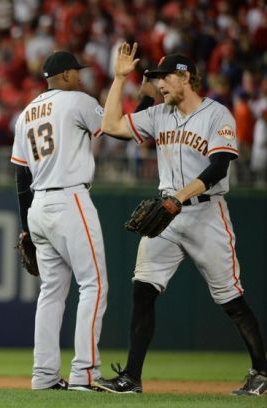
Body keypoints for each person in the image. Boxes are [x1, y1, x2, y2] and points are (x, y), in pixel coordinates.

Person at [92, 42, 267, 396]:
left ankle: (262, 373)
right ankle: (131, 378)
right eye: (156, 80)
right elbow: (110, 124)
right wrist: (118, 78)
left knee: (230, 299)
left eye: (165, 78)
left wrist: (178, 198)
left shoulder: (217, 115)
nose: (159, 85)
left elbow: (219, 167)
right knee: (143, 290)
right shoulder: (159, 115)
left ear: (185, 77)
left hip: (206, 213)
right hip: (166, 215)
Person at [11, 51, 108, 391]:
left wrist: (25, 223)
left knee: (51, 293)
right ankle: (85, 373)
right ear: (65, 75)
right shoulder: (78, 101)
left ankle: (44, 375)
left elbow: (20, 175)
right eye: (76, 72)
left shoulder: (25, 114)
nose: (80, 77)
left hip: (38, 205)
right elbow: (113, 126)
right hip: (70, 198)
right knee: (94, 284)